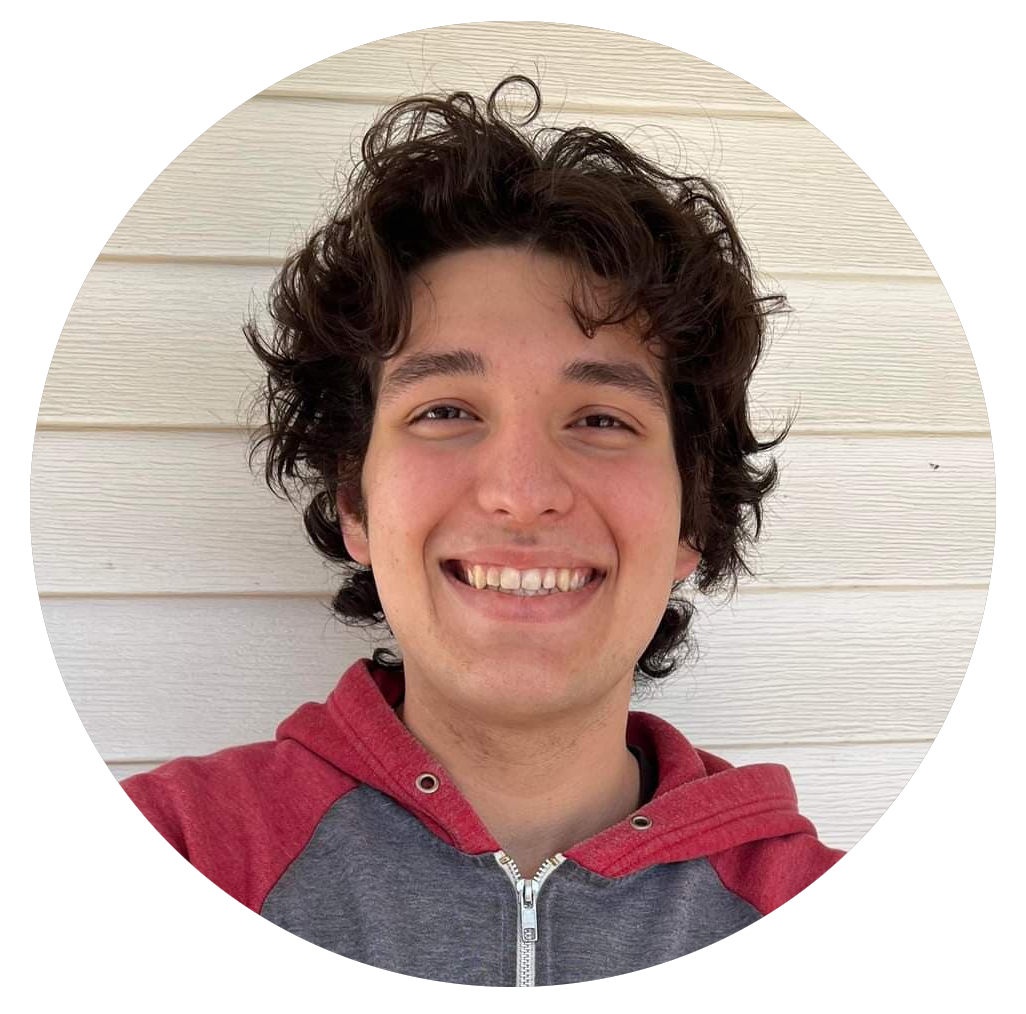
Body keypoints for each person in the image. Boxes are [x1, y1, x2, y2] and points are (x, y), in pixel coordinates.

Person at [120, 74, 843, 986]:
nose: (521, 493)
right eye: (446, 411)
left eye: (601, 419)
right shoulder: (185, 841)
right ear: (355, 504)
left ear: (691, 520)